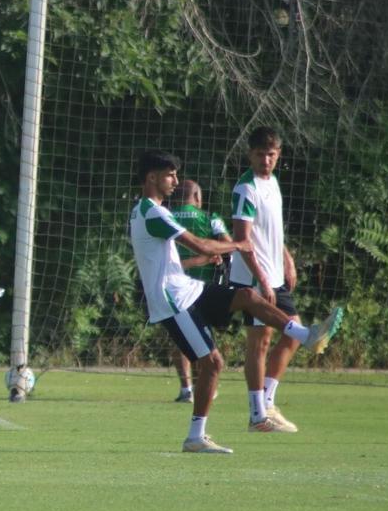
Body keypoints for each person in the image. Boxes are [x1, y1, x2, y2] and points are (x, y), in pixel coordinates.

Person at [129, 150, 342, 454]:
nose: (176, 181)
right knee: (213, 363)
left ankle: (305, 336)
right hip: (173, 301)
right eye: (169, 175)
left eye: (176, 174)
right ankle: (195, 437)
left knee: (246, 296)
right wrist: (239, 244)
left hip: (188, 289)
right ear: (151, 178)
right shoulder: (153, 212)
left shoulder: (146, 210)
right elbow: (199, 244)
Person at [230, 127, 304, 433]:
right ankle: (257, 415)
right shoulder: (245, 189)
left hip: (275, 275)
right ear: (250, 154)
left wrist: (286, 258)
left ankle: (268, 401)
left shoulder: (272, 182)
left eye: (271, 154)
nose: (266, 160)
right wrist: (261, 278)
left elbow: (271, 231)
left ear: (279, 155)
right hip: (254, 278)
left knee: (294, 334)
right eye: (260, 154)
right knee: (259, 342)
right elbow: (242, 239)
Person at [168, 179, 230, 403]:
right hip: (203, 288)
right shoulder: (211, 218)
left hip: (172, 287)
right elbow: (227, 242)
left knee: (180, 341)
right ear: (197, 197)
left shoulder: (167, 217)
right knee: (203, 340)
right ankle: (204, 386)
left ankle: (187, 389)